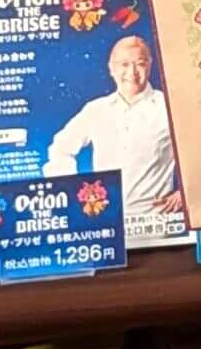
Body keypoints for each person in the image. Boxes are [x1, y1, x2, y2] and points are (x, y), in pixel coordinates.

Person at [44, 33, 185, 237]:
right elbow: (60, 149)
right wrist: (72, 193)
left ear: (150, 65)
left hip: (155, 225)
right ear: (111, 68)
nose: (132, 72)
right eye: (124, 64)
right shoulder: (96, 110)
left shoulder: (168, 106)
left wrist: (186, 194)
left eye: (140, 64)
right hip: (107, 224)